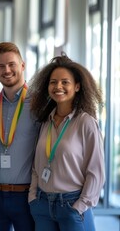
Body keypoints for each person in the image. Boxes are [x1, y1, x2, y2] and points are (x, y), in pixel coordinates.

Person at [28, 53, 105, 231]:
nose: (58, 86)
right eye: (53, 82)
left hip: (71, 205)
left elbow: (96, 171)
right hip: (42, 204)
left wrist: (80, 206)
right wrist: (33, 197)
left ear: (77, 86)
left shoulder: (86, 122)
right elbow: (36, 166)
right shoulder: (45, 121)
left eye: (65, 82)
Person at [0, 42, 40, 231]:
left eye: (11, 64)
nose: (6, 70)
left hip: (27, 196)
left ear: (22, 65)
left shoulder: (39, 104)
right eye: (1, 66)